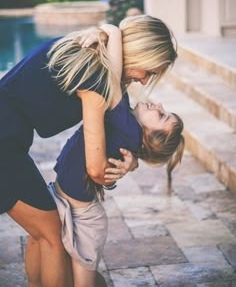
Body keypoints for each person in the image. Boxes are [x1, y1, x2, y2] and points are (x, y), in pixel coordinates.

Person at [0, 14, 177, 287]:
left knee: (41, 233)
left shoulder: (88, 53)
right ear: (140, 53)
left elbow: (115, 94)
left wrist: (130, 161)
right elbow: (95, 169)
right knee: (52, 237)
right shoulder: (95, 78)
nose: (144, 82)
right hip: (4, 143)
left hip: (8, 138)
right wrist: (113, 171)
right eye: (150, 72)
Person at [47, 22, 184, 287]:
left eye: (161, 115)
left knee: (82, 278)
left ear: (149, 134)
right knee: (75, 272)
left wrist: (113, 31)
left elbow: (112, 74)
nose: (158, 104)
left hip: (84, 216)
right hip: (72, 204)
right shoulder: (127, 125)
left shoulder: (126, 124)